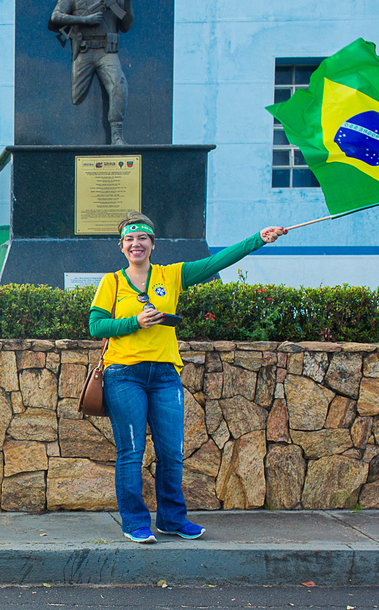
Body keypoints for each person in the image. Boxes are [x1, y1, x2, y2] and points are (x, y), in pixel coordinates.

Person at [88, 212, 287, 544]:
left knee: (171, 451)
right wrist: (135, 322)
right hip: (123, 374)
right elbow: (96, 326)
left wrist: (258, 239)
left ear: (152, 244)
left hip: (165, 374)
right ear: (122, 247)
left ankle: (171, 519)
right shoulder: (113, 282)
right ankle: (135, 522)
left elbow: (216, 262)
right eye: (129, 240)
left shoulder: (172, 275)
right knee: (132, 451)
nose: (136, 244)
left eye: (142, 239)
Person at [49, 0, 133, 145]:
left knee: (119, 85)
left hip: (107, 51)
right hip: (84, 50)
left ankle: (117, 135)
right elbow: (55, 16)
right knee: (77, 96)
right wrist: (84, 20)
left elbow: (126, 25)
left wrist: (127, 3)